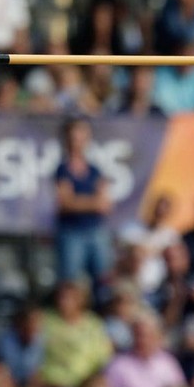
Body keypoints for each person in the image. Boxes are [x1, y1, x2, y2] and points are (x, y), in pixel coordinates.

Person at [54, 119, 113, 288]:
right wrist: (93, 202)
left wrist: (77, 201)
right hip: (71, 232)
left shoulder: (95, 170)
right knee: (70, 281)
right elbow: (65, 203)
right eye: (73, 138)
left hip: (96, 231)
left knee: (103, 280)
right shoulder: (62, 170)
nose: (77, 143)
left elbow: (105, 205)